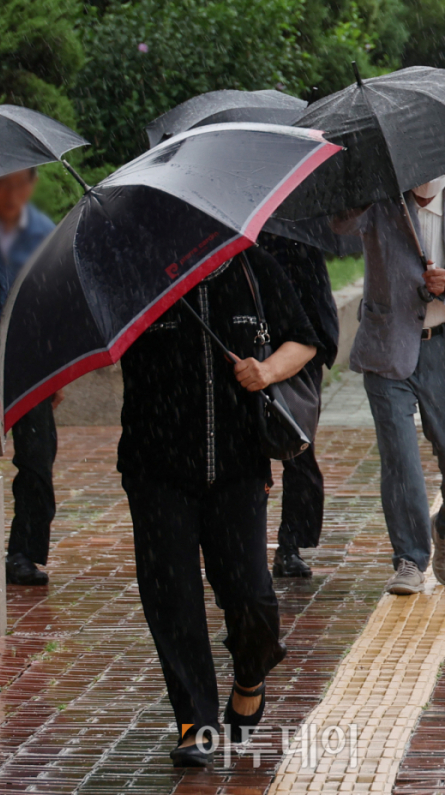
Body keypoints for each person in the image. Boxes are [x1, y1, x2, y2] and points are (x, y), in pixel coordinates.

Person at [118, 248, 320, 767]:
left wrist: (267, 370)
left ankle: (250, 673)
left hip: (238, 469)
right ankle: (196, 723)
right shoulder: (140, 276)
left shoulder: (253, 269)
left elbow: (304, 340)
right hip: (156, 467)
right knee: (173, 599)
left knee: (252, 594)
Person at [332, 175, 445, 595]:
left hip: (444, 348)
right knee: (401, 460)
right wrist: (360, 186)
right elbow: (339, 225)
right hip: (387, 350)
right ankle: (409, 558)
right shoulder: (381, 203)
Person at [0, 168, 63, 586]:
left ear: (32, 184)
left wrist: (58, 369)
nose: (10, 192)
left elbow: (55, 302)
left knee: (38, 461)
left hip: (28, 364)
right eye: (1, 182)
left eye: (19, 183)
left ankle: (24, 553)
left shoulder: (44, 232)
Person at [258, 233, 339, 578]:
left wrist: (308, 355)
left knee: (298, 448)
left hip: (297, 361)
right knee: (249, 457)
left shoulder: (301, 239)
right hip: (246, 356)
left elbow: (320, 315)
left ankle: (290, 544)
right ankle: (244, 544)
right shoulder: (231, 245)